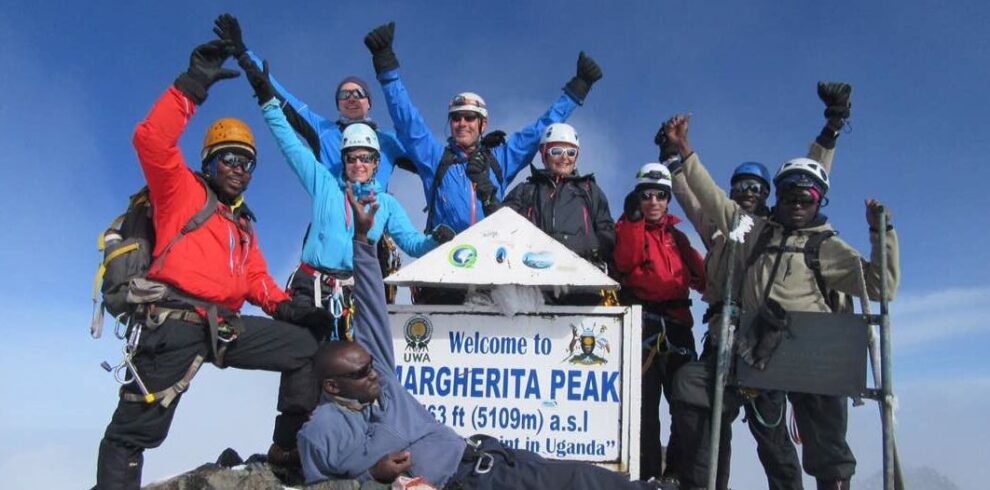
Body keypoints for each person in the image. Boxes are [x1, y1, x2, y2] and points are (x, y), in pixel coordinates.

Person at [297, 187, 668, 490]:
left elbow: (372, 306)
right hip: (461, 481)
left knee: (574, 475)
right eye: (361, 372)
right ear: (332, 386)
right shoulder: (322, 431)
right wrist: (372, 477)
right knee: (575, 481)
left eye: (369, 365)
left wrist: (362, 240)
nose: (374, 372)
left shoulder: (382, 384)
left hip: (485, 454)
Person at [95, 39, 329, 489]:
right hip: (174, 323)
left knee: (304, 347)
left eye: (248, 163)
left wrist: (289, 310)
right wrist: (192, 84)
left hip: (223, 325)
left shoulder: (241, 223)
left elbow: (256, 279)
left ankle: (287, 451)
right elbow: (151, 140)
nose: (240, 168)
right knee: (133, 432)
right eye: (230, 159)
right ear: (210, 161)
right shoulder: (180, 192)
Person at [661, 114, 899, 490]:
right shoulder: (751, 232)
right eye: (789, 195)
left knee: (826, 448)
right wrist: (682, 152)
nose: (797, 202)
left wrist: (880, 232)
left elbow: (880, 284)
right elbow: (706, 198)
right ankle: (698, 480)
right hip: (759, 349)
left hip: (816, 356)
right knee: (711, 395)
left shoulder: (827, 246)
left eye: (806, 197)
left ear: (819, 199)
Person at [362, 22, 601, 304]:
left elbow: (541, 128)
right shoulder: (434, 158)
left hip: (492, 267)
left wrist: (577, 90)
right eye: (455, 117)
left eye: (469, 117)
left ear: (483, 123)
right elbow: (407, 121)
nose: (462, 123)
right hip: (445, 267)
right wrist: (386, 66)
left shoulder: (499, 159)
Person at [234, 53, 454, 340]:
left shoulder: (385, 205)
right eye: (352, 158)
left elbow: (412, 243)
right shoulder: (324, 184)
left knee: (355, 370)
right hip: (311, 288)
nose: (358, 164)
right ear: (343, 159)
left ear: (377, 162)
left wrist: (436, 239)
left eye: (366, 158)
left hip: (357, 292)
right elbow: (289, 143)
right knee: (304, 364)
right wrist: (268, 102)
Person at [611, 163, 706, 482]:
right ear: (637, 198)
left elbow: (702, 276)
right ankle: (646, 475)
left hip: (678, 326)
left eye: (660, 196)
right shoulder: (626, 228)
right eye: (646, 195)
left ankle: (677, 474)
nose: (653, 202)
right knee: (643, 408)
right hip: (643, 324)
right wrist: (634, 223)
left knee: (684, 403)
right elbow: (625, 261)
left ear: (668, 200)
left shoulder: (677, 238)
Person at [501, 122, 615, 304]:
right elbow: (502, 224)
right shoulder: (527, 190)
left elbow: (606, 230)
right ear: (544, 153)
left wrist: (590, 251)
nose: (564, 158)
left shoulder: (589, 190)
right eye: (557, 151)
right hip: (535, 279)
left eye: (571, 153)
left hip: (580, 279)